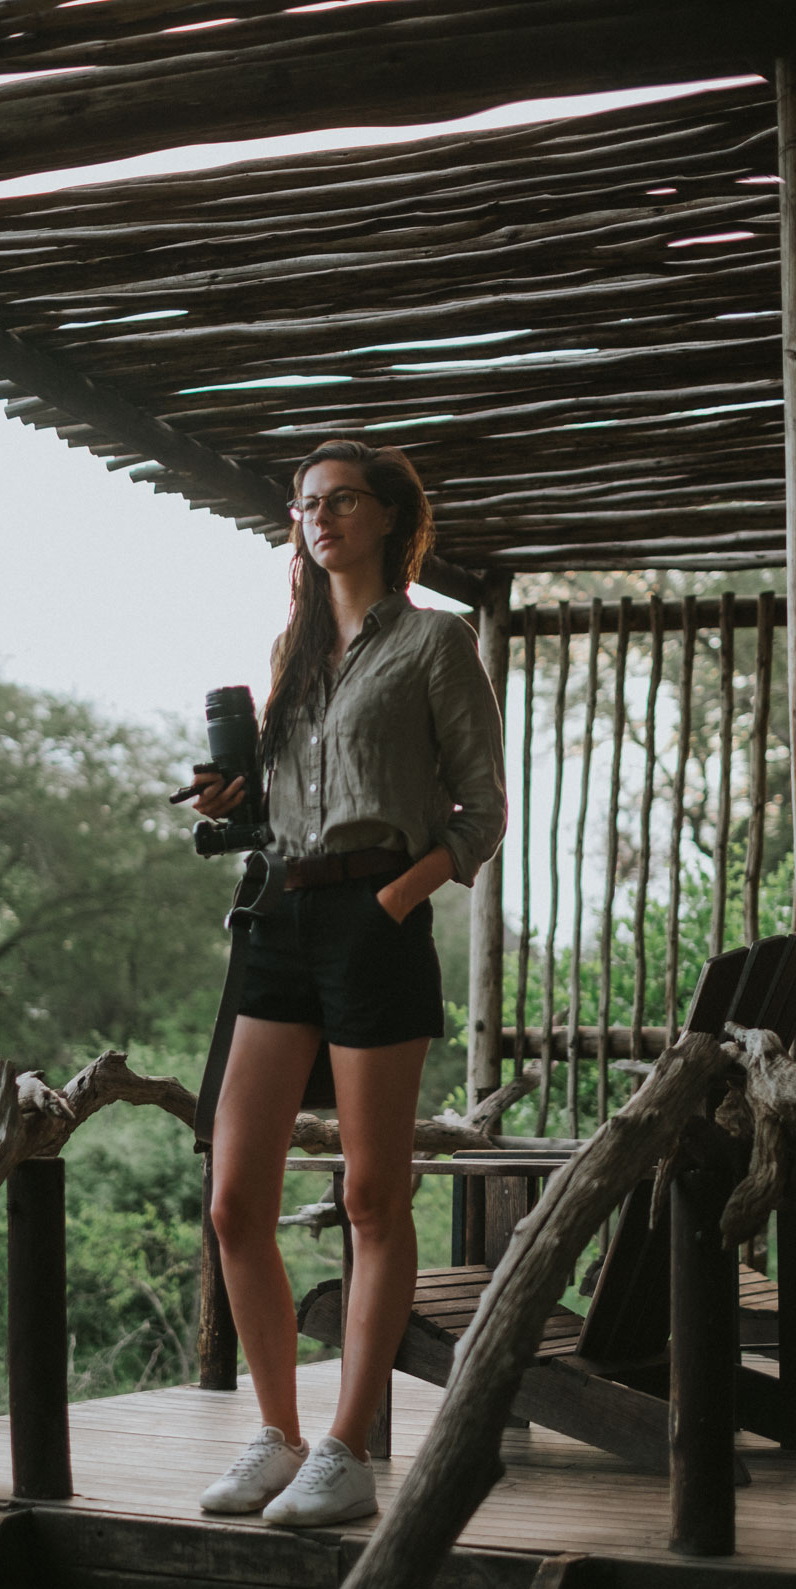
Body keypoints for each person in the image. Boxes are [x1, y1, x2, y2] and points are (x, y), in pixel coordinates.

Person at [193, 438, 506, 1528]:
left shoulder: (434, 641)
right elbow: (278, 810)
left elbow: (481, 813)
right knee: (234, 1200)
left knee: (373, 1196)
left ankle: (345, 1450)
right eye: (305, 505)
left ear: (385, 517)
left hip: (376, 920)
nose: (319, 518)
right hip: (278, 916)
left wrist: (393, 900)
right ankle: (274, 1438)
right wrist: (229, 802)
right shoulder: (294, 652)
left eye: (341, 501)